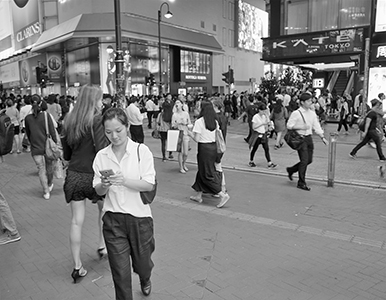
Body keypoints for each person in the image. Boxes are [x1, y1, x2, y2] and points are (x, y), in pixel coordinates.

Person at [93, 107, 156, 299]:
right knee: (120, 274)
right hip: (113, 220)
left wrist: (124, 181)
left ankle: (145, 278)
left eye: (118, 130)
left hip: (140, 219)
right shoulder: (101, 156)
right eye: (109, 132)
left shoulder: (141, 151)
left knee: (142, 264)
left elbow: (148, 185)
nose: (114, 136)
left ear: (127, 127)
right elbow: (97, 190)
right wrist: (104, 185)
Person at [61, 85, 109, 283]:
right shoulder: (97, 120)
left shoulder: (69, 120)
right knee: (104, 210)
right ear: (93, 100)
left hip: (74, 175)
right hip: (94, 175)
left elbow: (66, 154)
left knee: (75, 221)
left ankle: (77, 266)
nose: (101, 103)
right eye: (99, 99)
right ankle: (102, 244)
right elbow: (101, 149)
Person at [187, 102, 230, 208]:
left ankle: (222, 194)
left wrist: (189, 132)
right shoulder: (214, 121)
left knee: (206, 174)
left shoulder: (199, 122)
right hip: (213, 148)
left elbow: (197, 139)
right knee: (202, 171)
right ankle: (198, 195)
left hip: (204, 149)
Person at [286, 93, 328, 191]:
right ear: (302, 102)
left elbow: (316, 125)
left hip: (309, 138)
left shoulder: (312, 113)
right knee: (304, 161)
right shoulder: (296, 113)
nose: (311, 102)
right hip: (300, 139)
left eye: (311, 101)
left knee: (309, 160)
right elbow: (289, 126)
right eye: (308, 101)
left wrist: (322, 137)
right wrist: (301, 127)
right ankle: (301, 182)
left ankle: (291, 170)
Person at [25, 95, 57, 200]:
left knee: (41, 169)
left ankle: (46, 191)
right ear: (40, 103)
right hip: (47, 146)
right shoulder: (46, 116)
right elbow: (52, 131)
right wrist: (55, 144)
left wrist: (32, 142)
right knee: (50, 166)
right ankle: (50, 183)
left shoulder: (28, 118)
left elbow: (28, 134)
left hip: (35, 147)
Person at [248, 103, 277, 168]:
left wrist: (268, 126)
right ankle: (251, 160)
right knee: (254, 149)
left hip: (263, 134)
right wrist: (262, 124)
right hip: (257, 135)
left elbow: (267, 124)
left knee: (266, 149)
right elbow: (254, 127)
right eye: (262, 111)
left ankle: (269, 162)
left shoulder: (264, 116)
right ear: (259, 110)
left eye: (264, 111)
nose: (264, 112)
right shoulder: (255, 117)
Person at [172, 99, 191, 173]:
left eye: (178, 103)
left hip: (185, 133)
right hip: (178, 134)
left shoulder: (186, 114)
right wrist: (178, 123)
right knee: (180, 152)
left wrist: (186, 124)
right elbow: (173, 125)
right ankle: (180, 167)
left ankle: (184, 164)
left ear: (182, 104)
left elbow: (189, 123)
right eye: (176, 103)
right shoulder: (174, 115)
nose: (177, 104)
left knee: (185, 153)